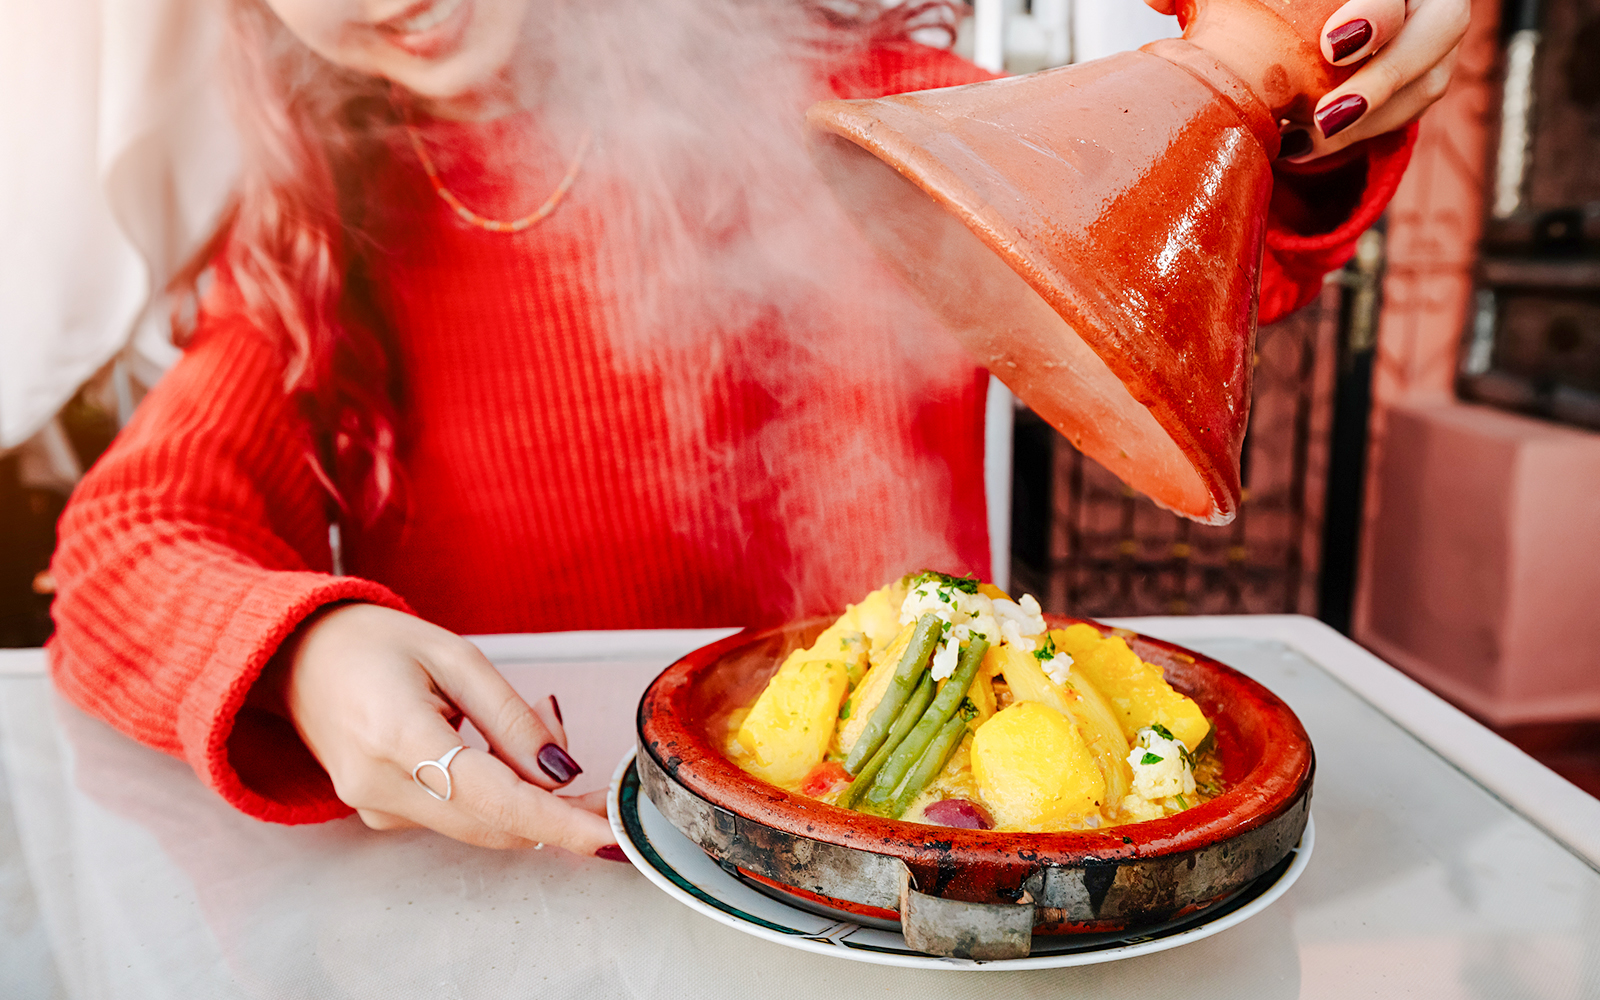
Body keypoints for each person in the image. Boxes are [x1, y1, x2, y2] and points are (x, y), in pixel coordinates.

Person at [48, 0, 1466, 860]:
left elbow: (1224, 229)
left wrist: (1289, 71)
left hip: (909, 881)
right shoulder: (327, 230)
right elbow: (127, 543)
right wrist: (304, 652)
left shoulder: (849, 106)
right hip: (545, 888)